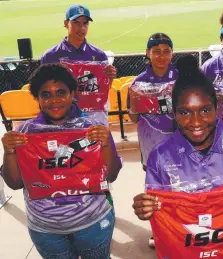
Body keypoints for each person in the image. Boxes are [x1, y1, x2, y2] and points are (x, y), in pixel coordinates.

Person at [132, 55, 223, 234]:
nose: (196, 122)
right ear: (174, 113)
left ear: (216, 106)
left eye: (205, 110)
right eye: (185, 112)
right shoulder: (160, 157)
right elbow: (160, 210)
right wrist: (146, 208)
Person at [1, 64, 122, 259]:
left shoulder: (93, 129)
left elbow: (111, 175)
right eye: (46, 94)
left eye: (61, 92)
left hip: (93, 222)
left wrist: (106, 143)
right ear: (37, 98)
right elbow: (14, 184)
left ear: (73, 93)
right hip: (45, 228)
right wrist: (9, 152)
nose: (54, 100)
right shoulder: (24, 133)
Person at [128, 32, 177, 247]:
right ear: (148, 53)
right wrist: (137, 104)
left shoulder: (181, 76)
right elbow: (133, 117)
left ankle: (180, 223)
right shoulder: (139, 82)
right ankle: (158, 228)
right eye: (156, 51)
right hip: (151, 143)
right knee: (156, 186)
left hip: (180, 142)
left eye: (166, 51)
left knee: (180, 183)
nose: (161, 56)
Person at [40, 4, 117, 126]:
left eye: (85, 23)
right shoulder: (50, 56)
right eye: (76, 22)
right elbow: (42, 91)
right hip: (62, 116)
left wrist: (110, 78)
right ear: (66, 23)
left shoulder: (99, 55)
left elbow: (103, 90)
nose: (81, 28)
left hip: (94, 116)